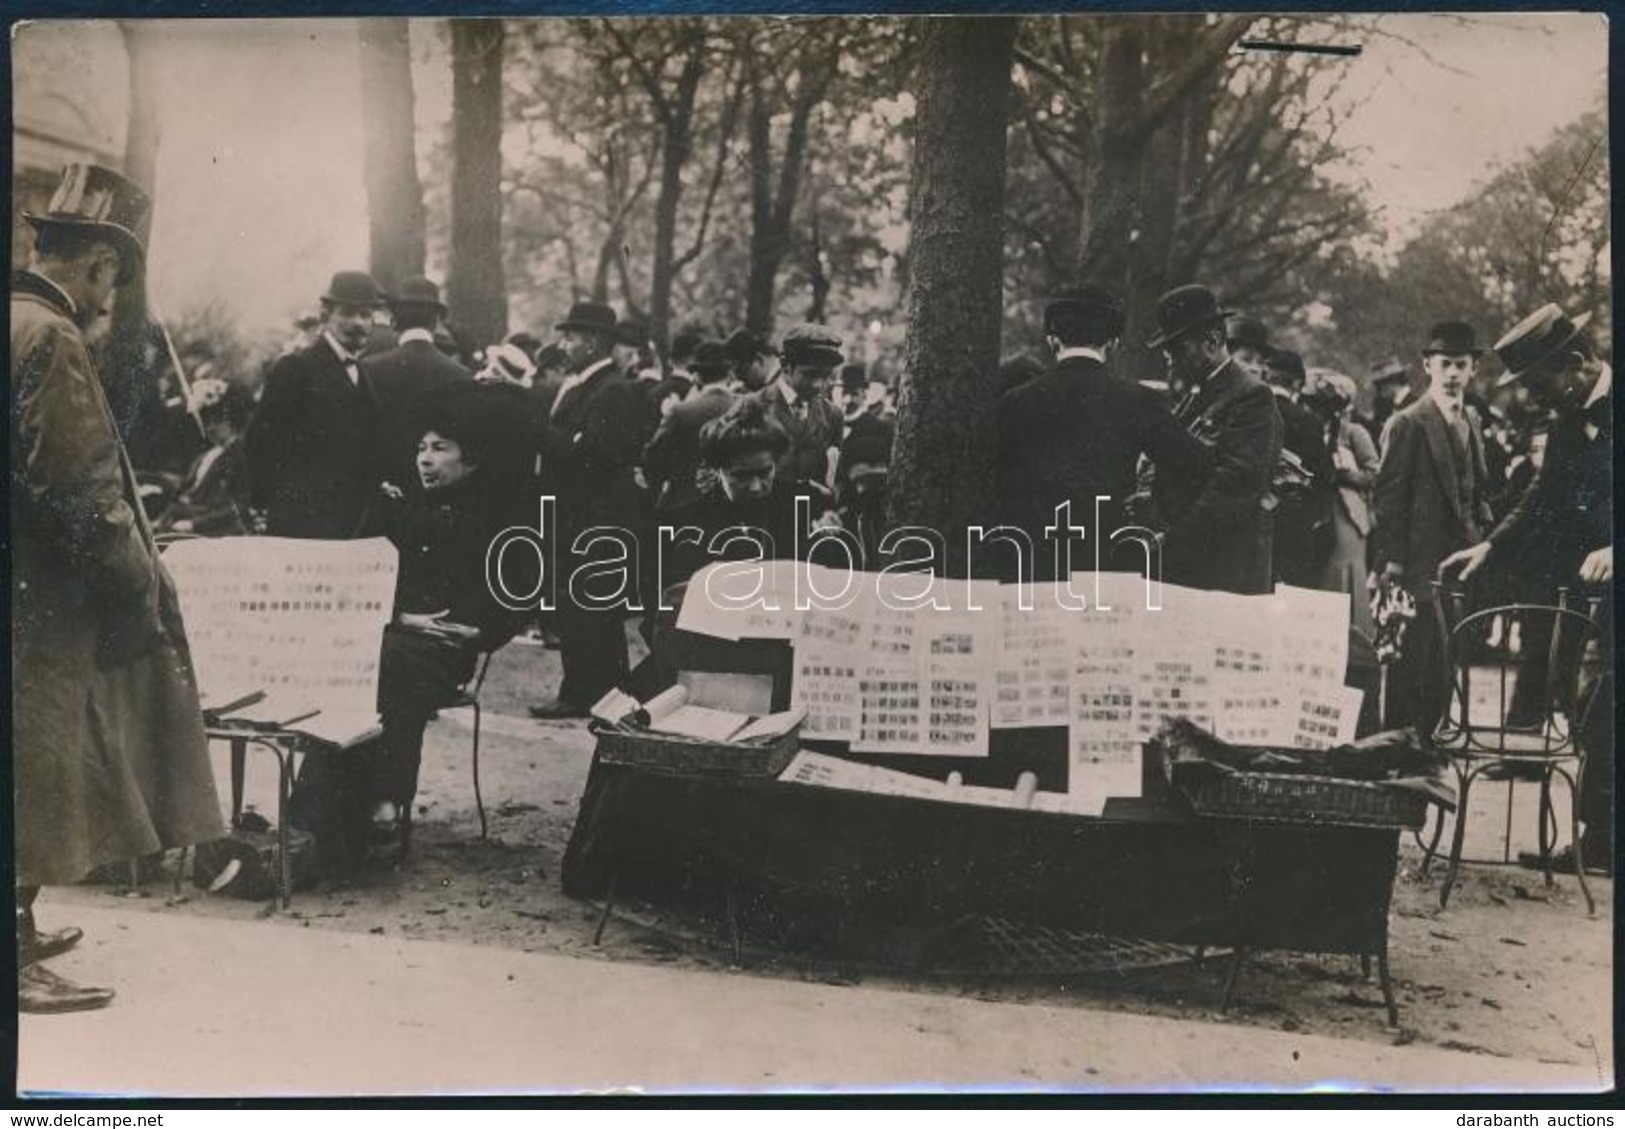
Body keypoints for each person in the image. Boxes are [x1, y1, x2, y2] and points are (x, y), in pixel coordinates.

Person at [12, 163, 224, 1012]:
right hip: (43, 603)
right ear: (98, 266)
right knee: (35, 769)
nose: (109, 297)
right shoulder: (52, 337)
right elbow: (80, 490)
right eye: (111, 278)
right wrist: (141, 584)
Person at [1440, 303, 1613, 875]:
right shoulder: (1566, 419)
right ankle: (1603, 840)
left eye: (1544, 384)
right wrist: (1491, 546)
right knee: (1590, 709)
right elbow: (1542, 498)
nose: (1539, 400)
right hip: (1594, 598)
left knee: (1598, 704)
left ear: (1580, 363)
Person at [357, 387, 533, 852]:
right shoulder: (401, 506)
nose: (426, 460)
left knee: (391, 666)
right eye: (420, 449)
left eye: (440, 448)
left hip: (445, 652)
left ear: (470, 458)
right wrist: (401, 616)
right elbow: (363, 576)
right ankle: (336, 804)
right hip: (397, 634)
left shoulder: (499, 515)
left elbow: (521, 589)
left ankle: (385, 798)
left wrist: (483, 633)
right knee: (366, 661)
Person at [998, 284, 1208, 582]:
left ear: (1052, 340)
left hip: (1029, 564)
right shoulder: (1139, 401)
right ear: (1113, 342)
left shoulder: (1013, 403)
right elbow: (1194, 465)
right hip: (1107, 565)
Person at [1370, 320, 1494, 736]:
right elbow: (1387, 500)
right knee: (1412, 663)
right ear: (1428, 365)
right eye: (1445, 364)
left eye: (1462, 364)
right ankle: (1399, 749)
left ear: (1473, 368)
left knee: (1447, 661)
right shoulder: (1408, 422)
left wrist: (1483, 536)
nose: (1454, 373)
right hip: (1418, 565)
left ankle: (1429, 742)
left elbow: (1478, 488)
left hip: (1461, 563)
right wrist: (1393, 563)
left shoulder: (1472, 420)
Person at [530, 301, 652, 719]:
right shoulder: (588, 385)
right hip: (580, 513)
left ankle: (588, 692)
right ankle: (593, 690)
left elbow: (596, 453)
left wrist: (544, 435)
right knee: (582, 608)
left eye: (572, 337)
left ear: (594, 342)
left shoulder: (611, 389)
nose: (564, 345)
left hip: (594, 516)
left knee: (590, 609)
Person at [1144, 284, 1281, 595]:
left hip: (1224, 572)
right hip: (1199, 567)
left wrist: (1171, 542)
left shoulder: (1251, 396)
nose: (1169, 360)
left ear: (1212, 341)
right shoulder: (1199, 395)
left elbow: (1235, 485)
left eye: (1177, 349)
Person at [245, 270, 388, 538]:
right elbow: (260, 443)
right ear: (326, 316)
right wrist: (272, 505)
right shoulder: (296, 368)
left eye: (365, 315)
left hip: (351, 523)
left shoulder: (362, 373)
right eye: (347, 312)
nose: (358, 323)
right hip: (303, 524)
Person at [363, 275, 471, 493]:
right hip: (436, 490)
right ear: (436, 322)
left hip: (382, 490)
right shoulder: (460, 374)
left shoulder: (369, 368)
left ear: (395, 320)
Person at [1262, 346, 1337, 587]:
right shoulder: (1308, 421)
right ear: (1297, 383)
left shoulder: (1249, 412)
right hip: (1294, 524)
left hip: (1252, 522)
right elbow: (1324, 477)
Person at [747, 323, 845, 493]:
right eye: (810, 374)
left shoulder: (833, 415)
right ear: (785, 367)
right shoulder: (752, 406)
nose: (818, 385)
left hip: (810, 515)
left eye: (826, 376)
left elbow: (835, 475)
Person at [642, 339, 737, 512]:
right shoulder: (749, 408)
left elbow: (652, 457)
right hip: (734, 505)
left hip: (685, 504)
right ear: (729, 374)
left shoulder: (682, 412)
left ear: (697, 376)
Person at [154, 375, 254, 537]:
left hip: (215, 530)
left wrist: (194, 524)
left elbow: (236, 507)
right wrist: (162, 520)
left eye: (217, 419)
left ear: (231, 420)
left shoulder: (239, 456)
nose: (210, 427)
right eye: (207, 420)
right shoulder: (204, 457)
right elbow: (182, 497)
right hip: (182, 522)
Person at [1365, 356, 1414, 443]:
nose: (1380, 392)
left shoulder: (1413, 404)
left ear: (1393, 381)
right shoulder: (1387, 406)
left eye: (1380, 385)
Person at [723, 328, 779, 393]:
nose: (740, 379)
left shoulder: (784, 381)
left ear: (759, 359)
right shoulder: (772, 381)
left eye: (740, 371)